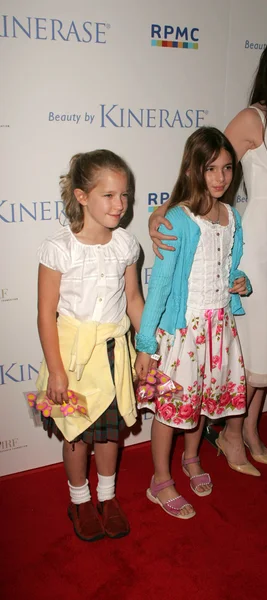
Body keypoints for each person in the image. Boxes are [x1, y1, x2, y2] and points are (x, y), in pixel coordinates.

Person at [149, 20, 267, 469]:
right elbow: (208, 169)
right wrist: (163, 211)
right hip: (253, 255)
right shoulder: (254, 119)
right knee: (251, 349)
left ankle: (249, 429)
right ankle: (230, 434)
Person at [134, 126, 260, 521]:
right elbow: (160, 287)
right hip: (183, 331)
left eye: (227, 168)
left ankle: (191, 458)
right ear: (193, 170)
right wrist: (145, 343)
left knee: (201, 402)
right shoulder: (177, 219)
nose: (221, 178)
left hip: (219, 327)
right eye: (211, 169)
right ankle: (159, 478)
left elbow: (230, 267)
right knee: (171, 409)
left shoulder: (232, 217)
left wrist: (242, 283)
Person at [36, 150, 143, 541]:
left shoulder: (126, 245)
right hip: (72, 360)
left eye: (125, 195)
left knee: (110, 433)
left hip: (114, 355)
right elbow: (46, 314)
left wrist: (146, 347)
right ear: (82, 196)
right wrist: (58, 371)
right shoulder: (59, 248)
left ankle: (108, 497)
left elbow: (133, 300)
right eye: (110, 196)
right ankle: (80, 500)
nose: (120, 205)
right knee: (76, 433)